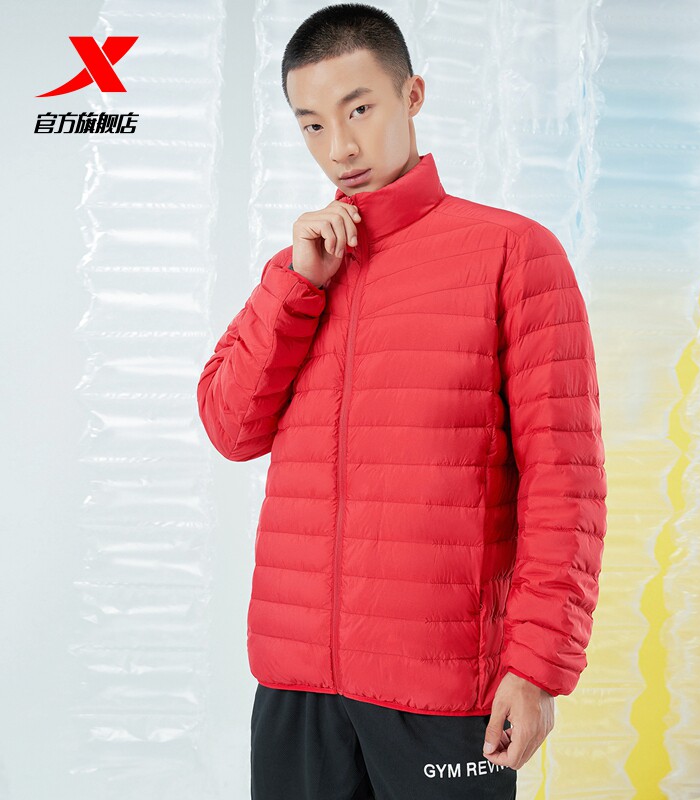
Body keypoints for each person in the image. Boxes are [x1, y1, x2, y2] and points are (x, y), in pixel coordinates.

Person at [196, 4, 607, 798]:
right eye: (313, 125)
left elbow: (566, 483)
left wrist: (537, 667)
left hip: (443, 689)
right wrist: (297, 287)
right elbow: (229, 426)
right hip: (296, 686)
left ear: (412, 95)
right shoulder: (301, 270)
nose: (340, 148)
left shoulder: (513, 253)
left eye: (359, 110)